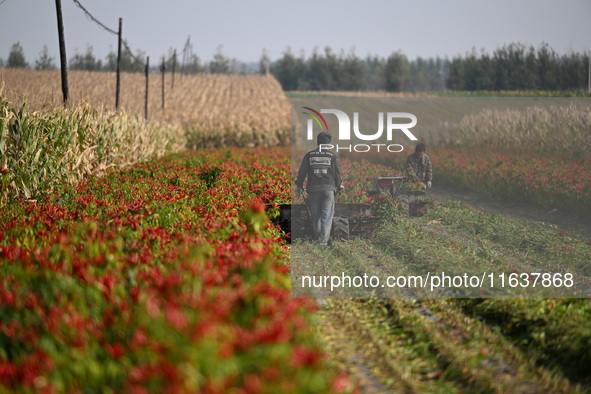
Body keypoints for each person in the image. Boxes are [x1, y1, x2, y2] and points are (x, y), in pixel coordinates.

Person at [295, 131, 344, 246]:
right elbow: (337, 174)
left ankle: (317, 239)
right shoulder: (332, 156)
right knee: (326, 216)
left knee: (315, 215)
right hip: (328, 189)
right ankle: (323, 242)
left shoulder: (309, 155)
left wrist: (299, 185)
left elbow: (302, 172)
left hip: (313, 189)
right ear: (328, 143)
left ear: (318, 142)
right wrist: (339, 184)